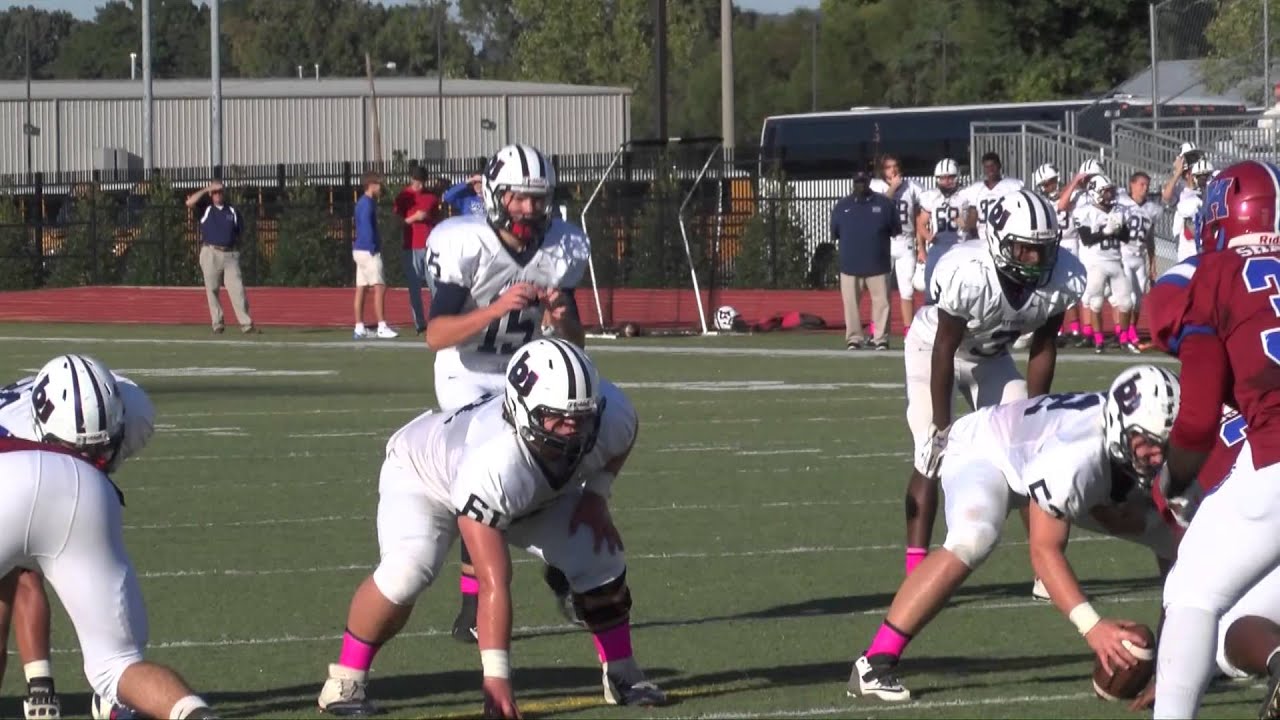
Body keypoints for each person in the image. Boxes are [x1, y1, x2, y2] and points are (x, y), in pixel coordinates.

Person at [316, 338, 666, 717]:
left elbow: (624, 435)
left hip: (529, 490)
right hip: (423, 477)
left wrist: (596, 495)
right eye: (559, 418)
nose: (574, 430)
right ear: (520, 409)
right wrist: (497, 680)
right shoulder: (494, 461)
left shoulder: (610, 414)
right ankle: (344, 680)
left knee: (600, 553)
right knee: (408, 571)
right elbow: (493, 583)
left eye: (582, 417)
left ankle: (622, 672)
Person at [851, 365, 1181, 702]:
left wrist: (1173, 667)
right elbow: (1044, 551)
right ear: (1119, 429)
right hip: (985, 449)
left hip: (1052, 461)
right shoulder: (1074, 459)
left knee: (1178, 545)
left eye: (1166, 444)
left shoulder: (1156, 453)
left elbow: (1183, 566)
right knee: (974, 537)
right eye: (1146, 443)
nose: (1157, 455)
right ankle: (875, 662)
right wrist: (1093, 627)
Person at [422, 143, 591, 644]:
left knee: (565, 464)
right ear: (496, 195)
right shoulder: (465, 242)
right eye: (518, 197)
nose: (528, 209)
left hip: (528, 371)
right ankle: (474, 607)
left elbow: (574, 342)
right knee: (486, 477)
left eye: (537, 199)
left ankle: (566, 569)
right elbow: (436, 335)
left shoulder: (562, 246)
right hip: (467, 373)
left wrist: (563, 321)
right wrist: (494, 310)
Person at [0, 355, 214, 720]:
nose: (90, 454)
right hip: (81, 491)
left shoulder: (131, 407)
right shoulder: (136, 413)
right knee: (118, 664)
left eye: (99, 446)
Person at [1144, 159, 1280, 719]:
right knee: (1239, 621)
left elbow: (1198, 418)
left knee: (1192, 594)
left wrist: (1172, 480)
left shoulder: (1213, 273)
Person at [902, 189, 1085, 592]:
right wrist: (942, 423)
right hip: (933, 350)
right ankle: (916, 571)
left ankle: (1046, 567)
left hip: (992, 357)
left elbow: (1043, 346)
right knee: (930, 451)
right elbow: (945, 348)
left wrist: (1036, 416)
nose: (1036, 261)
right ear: (1000, 242)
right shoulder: (967, 272)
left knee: (1030, 459)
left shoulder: (1063, 277)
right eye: (1024, 250)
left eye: (1041, 250)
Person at [832, 169, 899, 349]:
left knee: (882, 304)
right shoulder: (842, 206)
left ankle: (880, 338)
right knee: (851, 305)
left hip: (878, 264)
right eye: (857, 181)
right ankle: (854, 338)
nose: (860, 184)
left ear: (869, 181)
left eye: (863, 181)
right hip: (850, 265)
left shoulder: (884, 204)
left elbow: (895, 229)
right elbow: (836, 232)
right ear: (853, 182)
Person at [1073, 174, 1138, 353]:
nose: (1110, 195)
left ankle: (1124, 339)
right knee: (1096, 303)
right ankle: (1099, 340)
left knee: (1126, 302)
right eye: (1106, 191)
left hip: (1115, 261)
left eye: (1110, 191)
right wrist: (1107, 231)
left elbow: (1125, 237)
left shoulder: (1118, 210)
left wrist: (1118, 228)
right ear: (1095, 192)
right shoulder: (1085, 212)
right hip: (1097, 262)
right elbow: (1087, 239)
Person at [186, 181, 255, 334]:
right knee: (212, 289)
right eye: (215, 192)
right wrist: (206, 189)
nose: (218, 194)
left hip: (229, 254)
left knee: (237, 289)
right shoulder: (206, 209)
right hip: (211, 252)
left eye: (220, 191)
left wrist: (236, 248)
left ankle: (246, 324)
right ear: (211, 194)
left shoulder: (232, 211)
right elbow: (189, 202)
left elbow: (240, 231)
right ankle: (217, 323)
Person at [870, 155, 924, 336]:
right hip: (884, 242)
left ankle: (909, 331)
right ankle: (878, 331)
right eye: (888, 167)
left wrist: (921, 246)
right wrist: (893, 188)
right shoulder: (876, 186)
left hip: (905, 241)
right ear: (882, 170)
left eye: (895, 166)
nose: (892, 170)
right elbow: (880, 207)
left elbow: (921, 216)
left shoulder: (913, 187)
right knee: (880, 290)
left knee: (907, 290)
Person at [394, 167, 442, 335]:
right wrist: (414, 218)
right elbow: (397, 223)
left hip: (430, 247)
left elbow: (438, 220)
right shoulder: (403, 197)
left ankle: (436, 320)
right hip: (411, 247)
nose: (419, 185)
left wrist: (428, 218)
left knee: (435, 286)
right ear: (411, 179)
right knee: (414, 289)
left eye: (421, 182)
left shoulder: (431, 197)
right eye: (416, 182)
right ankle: (419, 324)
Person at [1116, 172, 1161, 348]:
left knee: (1139, 299)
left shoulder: (1151, 209)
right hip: (1124, 254)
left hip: (1140, 257)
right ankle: (1125, 336)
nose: (1145, 188)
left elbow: (1150, 239)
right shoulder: (1121, 203)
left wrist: (1153, 263)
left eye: (1147, 185)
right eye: (1141, 184)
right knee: (1130, 298)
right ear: (1132, 184)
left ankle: (1130, 332)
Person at [914, 158, 969, 300]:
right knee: (930, 286)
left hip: (961, 246)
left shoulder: (966, 195)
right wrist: (926, 241)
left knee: (961, 287)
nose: (947, 181)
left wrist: (965, 223)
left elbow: (972, 223)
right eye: (943, 178)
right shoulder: (931, 196)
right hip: (938, 246)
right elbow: (920, 223)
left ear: (957, 177)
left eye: (950, 177)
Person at [352, 172, 398, 340]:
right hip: (368, 250)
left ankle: (359, 327)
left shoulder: (363, 203)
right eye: (379, 184)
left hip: (359, 250)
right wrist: (372, 246)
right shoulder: (367, 204)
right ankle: (381, 325)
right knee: (379, 287)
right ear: (371, 184)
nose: (381, 187)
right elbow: (366, 227)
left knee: (361, 288)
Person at [957, 151, 1023, 241]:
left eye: (993, 166)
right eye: (987, 167)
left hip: (1004, 236)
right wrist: (973, 235)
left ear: (999, 166)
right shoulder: (976, 189)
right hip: (982, 237)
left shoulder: (1012, 186)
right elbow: (973, 215)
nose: (990, 170)